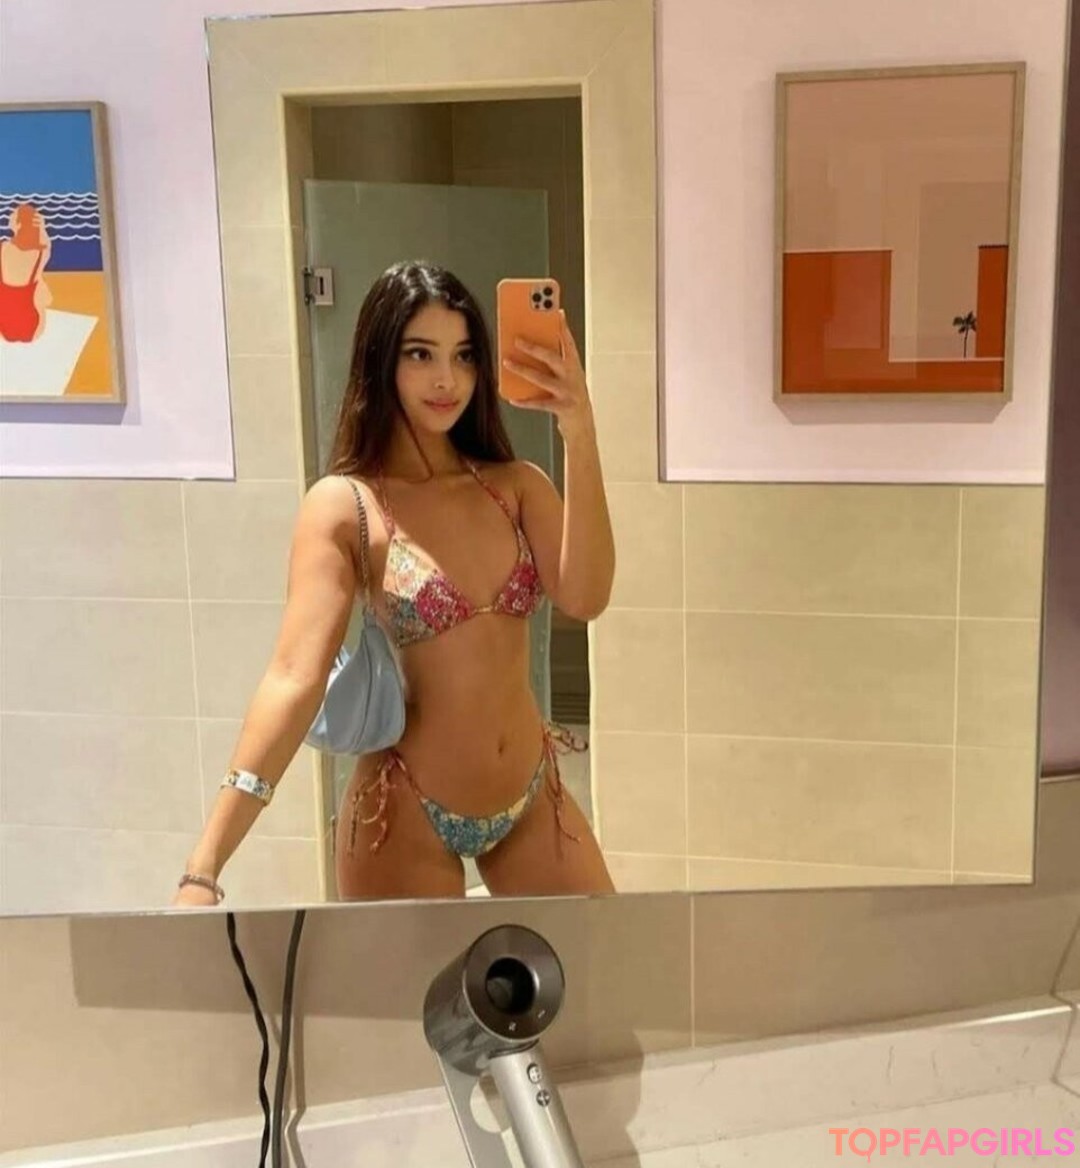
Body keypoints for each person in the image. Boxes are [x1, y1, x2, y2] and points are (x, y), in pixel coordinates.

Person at [175, 261, 616, 906]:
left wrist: (580, 432)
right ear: (381, 360)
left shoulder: (516, 486)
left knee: (602, 958)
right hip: (402, 811)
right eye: (420, 354)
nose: (446, 379)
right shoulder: (345, 506)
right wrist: (205, 864)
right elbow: (294, 678)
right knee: (414, 981)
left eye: (464, 356)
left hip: (530, 795)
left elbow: (587, 595)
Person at [0, 204, 53, 344]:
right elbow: (47, 246)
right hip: (33, 327)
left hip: (3, 323)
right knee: (39, 281)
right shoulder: (39, 253)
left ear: (17, 224)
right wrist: (42, 229)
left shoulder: (2, 248)